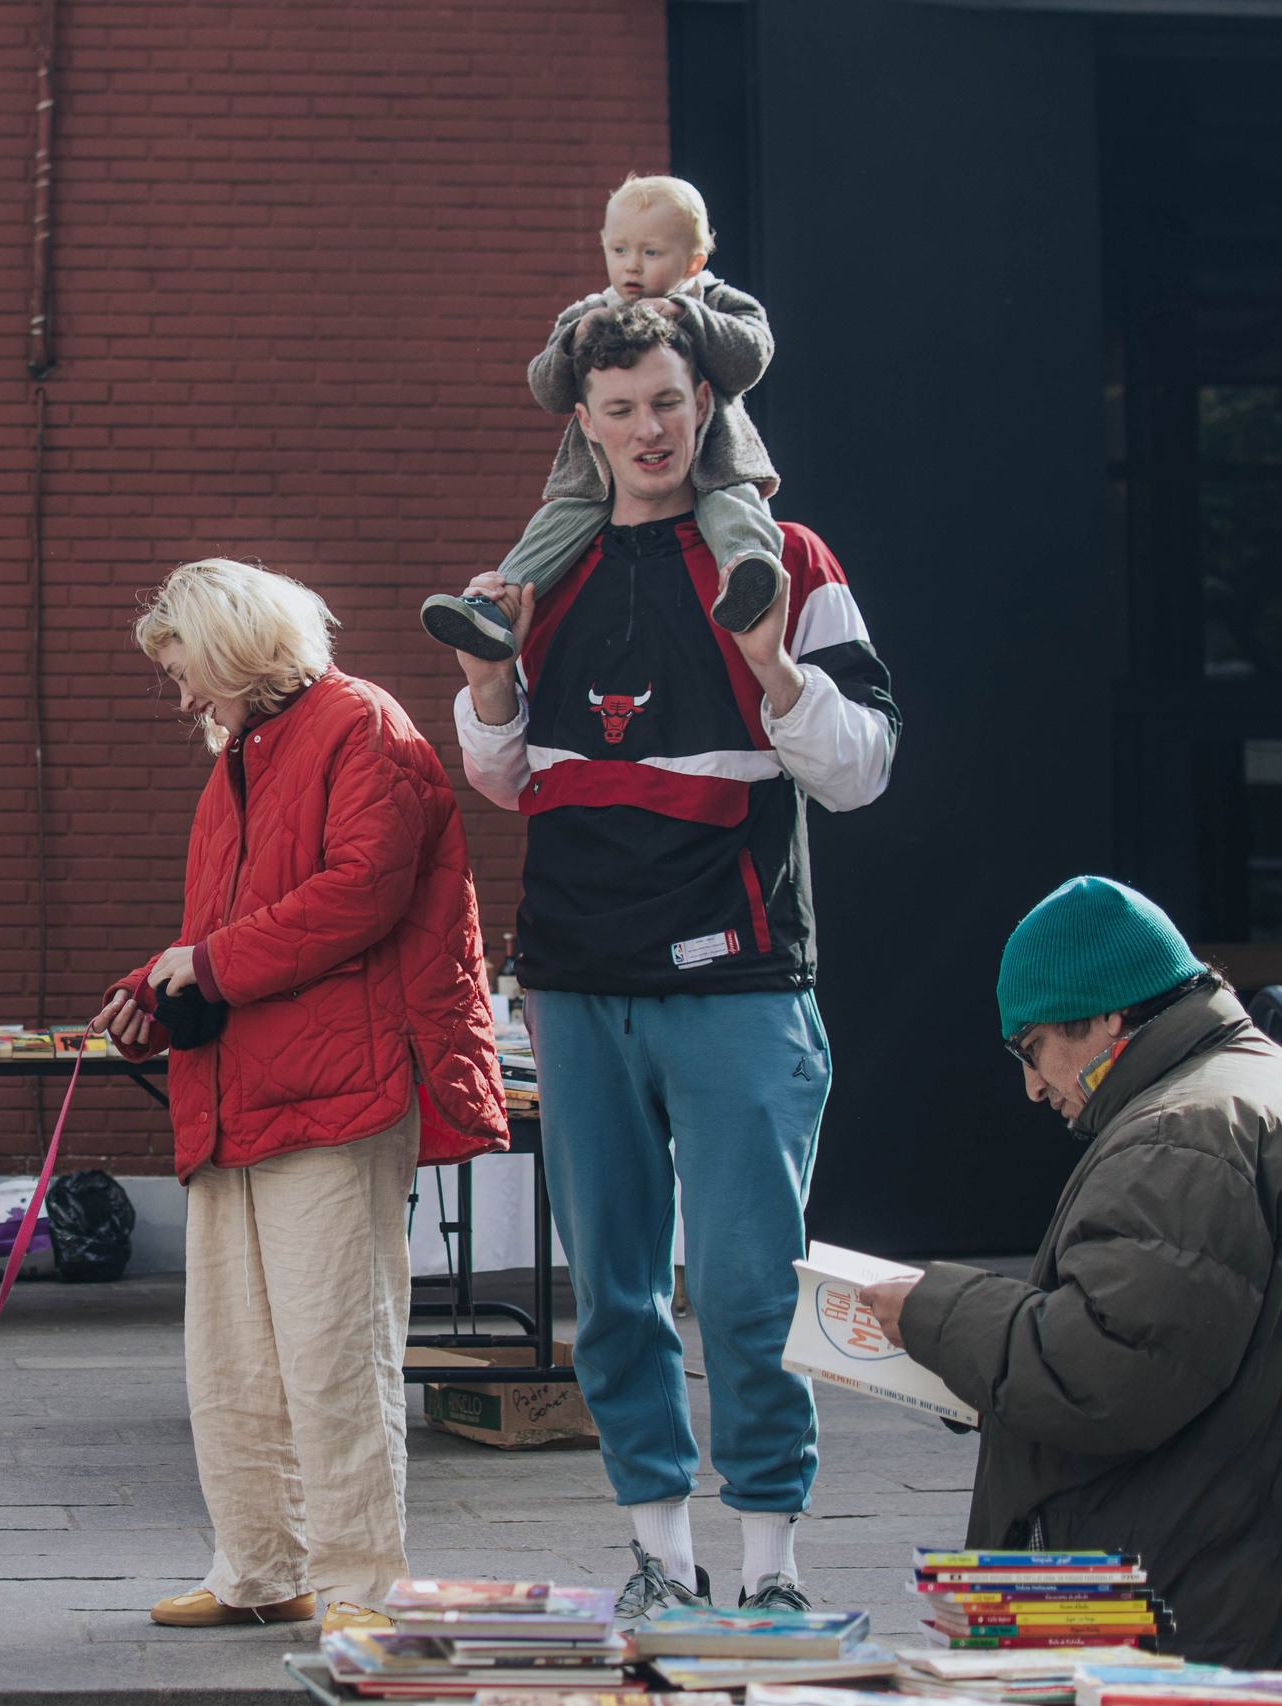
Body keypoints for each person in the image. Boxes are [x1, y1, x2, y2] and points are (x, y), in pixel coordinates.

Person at [439, 303, 899, 1622]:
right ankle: (659, 1558)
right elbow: (514, 776)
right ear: (582, 421)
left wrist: (776, 672)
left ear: (708, 403)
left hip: (742, 985)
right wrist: (485, 691)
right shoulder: (551, 572)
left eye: (668, 401)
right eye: (622, 407)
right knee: (620, 1299)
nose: (650, 428)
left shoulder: (786, 559)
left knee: (754, 1291)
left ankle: (772, 1577)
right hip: (577, 984)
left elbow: (863, 771)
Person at [90, 557, 508, 1635]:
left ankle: (360, 1583)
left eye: (187, 671)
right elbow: (231, 927)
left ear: (237, 646)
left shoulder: (358, 724)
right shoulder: (245, 755)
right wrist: (155, 988)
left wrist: (208, 966)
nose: (182, 698)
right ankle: (258, 1568)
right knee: (230, 1352)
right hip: (236, 1092)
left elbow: (358, 892)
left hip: (336, 1086)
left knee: (335, 1344)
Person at [859, 877, 1282, 1667]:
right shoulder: (1238, 1090)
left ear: (1106, 1018)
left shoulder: (1179, 1135)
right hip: (1212, 1561)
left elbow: (1105, 1373)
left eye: (1033, 1049)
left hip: (1163, 1595)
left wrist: (936, 1312)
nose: (1031, 1086)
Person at [422, 174, 785, 661]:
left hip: (713, 462)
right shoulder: (591, 312)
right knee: (554, 525)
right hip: (601, 477)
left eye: (652, 253)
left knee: (736, 511)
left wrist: (685, 313)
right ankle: (493, 609)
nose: (631, 266)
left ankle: (748, 579)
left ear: (694, 262)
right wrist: (572, 341)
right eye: (618, 250)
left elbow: (750, 360)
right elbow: (546, 390)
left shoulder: (716, 303)